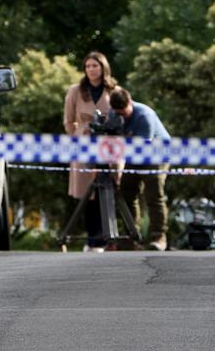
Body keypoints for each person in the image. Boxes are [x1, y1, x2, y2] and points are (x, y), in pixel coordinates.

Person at [63, 51, 118, 252]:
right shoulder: (75, 91)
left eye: (95, 66)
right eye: (87, 66)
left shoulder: (114, 90)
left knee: (107, 191)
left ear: (103, 67)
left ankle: (108, 239)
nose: (91, 70)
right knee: (87, 195)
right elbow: (68, 121)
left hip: (108, 145)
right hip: (84, 144)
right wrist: (78, 137)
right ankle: (92, 240)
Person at [109, 88, 171, 251]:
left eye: (124, 112)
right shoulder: (114, 114)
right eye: (118, 113)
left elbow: (141, 149)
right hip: (133, 153)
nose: (122, 117)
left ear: (130, 103)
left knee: (153, 194)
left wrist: (121, 162)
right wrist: (117, 170)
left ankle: (158, 237)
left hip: (156, 153)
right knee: (126, 191)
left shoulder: (144, 116)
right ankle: (131, 236)